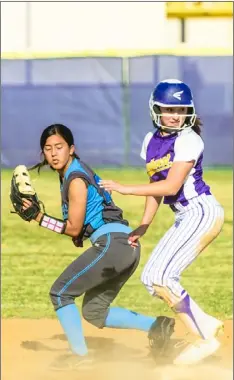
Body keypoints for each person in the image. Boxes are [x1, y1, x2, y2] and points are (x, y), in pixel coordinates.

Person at [20, 123, 175, 371]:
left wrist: (40, 218)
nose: (53, 153)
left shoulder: (75, 179)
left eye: (59, 147)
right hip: (127, 247)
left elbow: (72, 227)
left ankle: (80, 357)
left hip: (113, 245)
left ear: (71, 149)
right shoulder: (74, 173)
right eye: (48, 149)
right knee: (94, 311)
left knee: (60, 293)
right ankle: (157, 326)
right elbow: (82, 226)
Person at [99, 79, 225, 365]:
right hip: (185, 215)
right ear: (155, 109)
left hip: (201, 212)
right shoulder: (150, 140)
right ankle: (205, 324)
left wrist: (125, 188)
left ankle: (205, 335)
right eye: (168, 108)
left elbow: (169, 187)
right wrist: (144, 225)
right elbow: (155, 188)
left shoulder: (189, 139)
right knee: (151, 278)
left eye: (181, 109)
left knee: (162, 277)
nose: (175, 114)